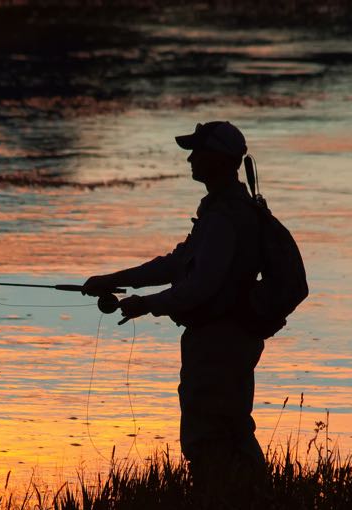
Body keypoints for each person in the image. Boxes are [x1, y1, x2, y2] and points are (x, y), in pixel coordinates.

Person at [82, 121, 266, 485]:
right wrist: (113, 280)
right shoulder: (224, 210)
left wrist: (146, 304)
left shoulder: (224, 218)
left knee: (208, 433)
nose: (191, 160)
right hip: (231, 336)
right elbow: (175, 263)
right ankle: (258, 506)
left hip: (219, 340)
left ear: (217, 158)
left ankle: (223, 508)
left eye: (198, 152)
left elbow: (201, 286)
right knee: (232, 426)